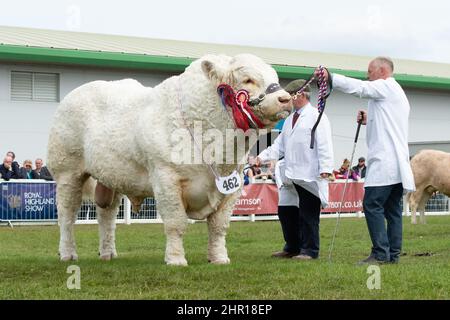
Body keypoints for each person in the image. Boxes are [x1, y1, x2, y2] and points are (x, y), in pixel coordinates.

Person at [318, 56, 415, 264]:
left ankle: (380, 254)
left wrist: (332, 77)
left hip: (385, 163)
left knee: (372, 204)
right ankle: (393, 255)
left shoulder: (386, 86)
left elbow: (360, 88)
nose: (367, 76)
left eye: (370, 71)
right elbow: (388, 124)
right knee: (393, 210)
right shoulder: (395, 92)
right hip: (397, 163)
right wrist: (368, 119)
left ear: (382, 71)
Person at [257, 79, 334, 260]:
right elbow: (279, 146)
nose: (289, 100)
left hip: (309, 173)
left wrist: (326, 168)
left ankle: (310, 250)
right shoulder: (290, 119)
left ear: (300, 95)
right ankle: (292, 246)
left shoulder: (317, 116)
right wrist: (260, 157)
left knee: (308, 214)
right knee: (286, 211)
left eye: (290, 96)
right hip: (290, 174)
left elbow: (324, 144)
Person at [271, 159, 300, 257]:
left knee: (300, 221)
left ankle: (303, 248)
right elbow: (279, 179)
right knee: (285, 218)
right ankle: (290, 248)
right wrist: (283, 186)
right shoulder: (280, 163)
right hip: (285, 193)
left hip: (300, 194)